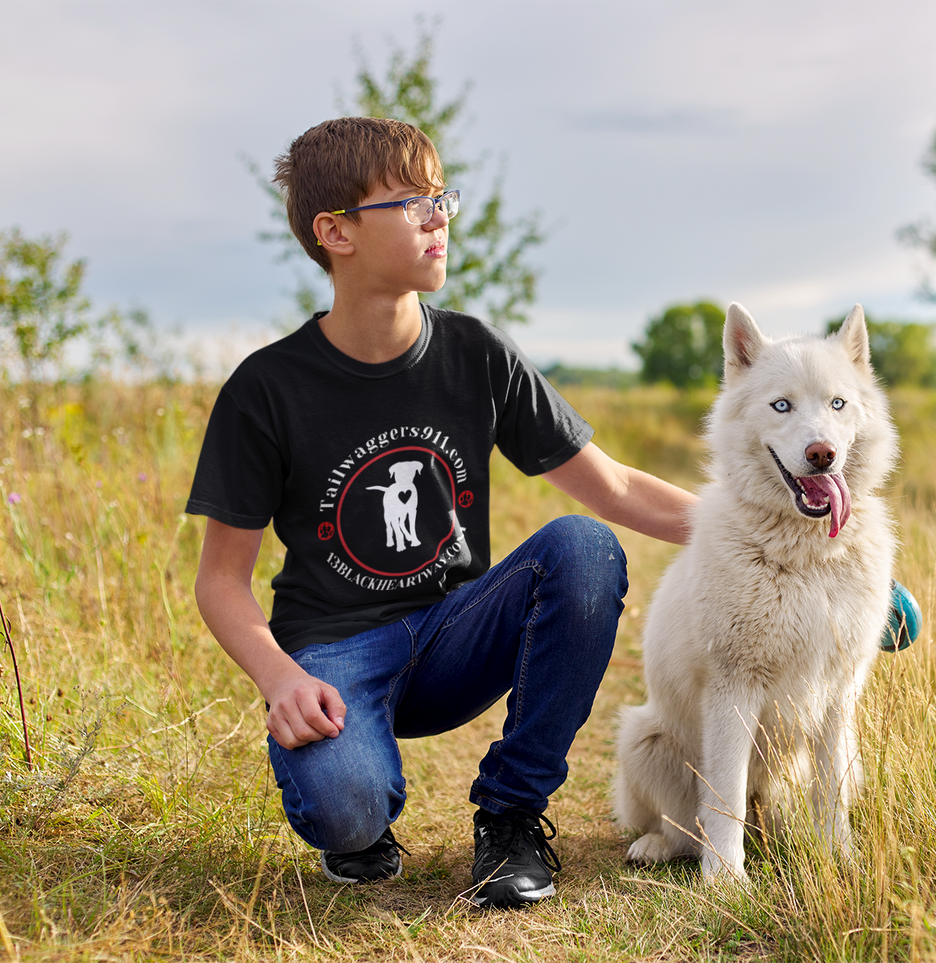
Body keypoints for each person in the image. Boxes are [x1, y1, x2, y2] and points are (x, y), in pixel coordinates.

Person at [187, 116, 696, 910]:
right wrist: (281, 678)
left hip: (455, 634)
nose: (439, 217)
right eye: (412, 201)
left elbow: (619, 490)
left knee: (583, 547)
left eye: (442, 196)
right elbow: (221, 582)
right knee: (347, 811)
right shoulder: (266, 388)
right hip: (334, 655)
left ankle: (511, 815)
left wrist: (788, 535)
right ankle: (359, 814)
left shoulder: (475, 354)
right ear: (336, 232)